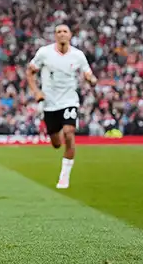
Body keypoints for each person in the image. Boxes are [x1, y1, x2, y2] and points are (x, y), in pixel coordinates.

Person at [25, 23, 98, 189]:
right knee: (56, 143)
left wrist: (91, 79)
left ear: (70, 35)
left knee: (69, 132)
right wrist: (36, 92)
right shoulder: (44, 53)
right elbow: (29, 72)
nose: (62, 34)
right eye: (58, 32)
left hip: (69, 101)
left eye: (65, 31)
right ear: (55, 35)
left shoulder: (78, 55)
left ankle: (64, 177)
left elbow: (88, 72)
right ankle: (58, 139)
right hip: (49, 104)